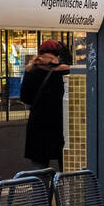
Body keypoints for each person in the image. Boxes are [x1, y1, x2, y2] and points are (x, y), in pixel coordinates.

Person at [19, 39, 71, 168]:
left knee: (39, 172)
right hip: (60, 126)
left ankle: (42, 189)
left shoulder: (30, 70)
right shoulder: (65, 71)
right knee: (66, 168)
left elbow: (25, 98)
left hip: (37, 126)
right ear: (58, 54)